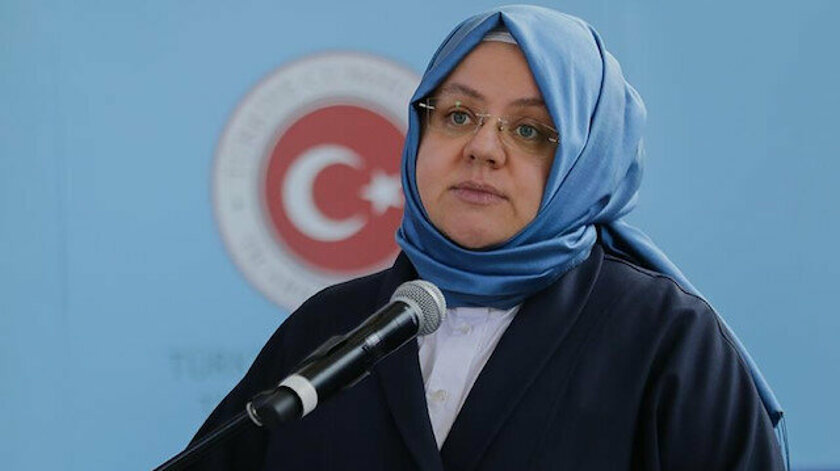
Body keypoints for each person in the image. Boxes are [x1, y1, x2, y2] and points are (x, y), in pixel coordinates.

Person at [189, 5, 786, 470]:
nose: (482, 148)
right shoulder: (328, 326)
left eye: (529, 130)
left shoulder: (668, 341)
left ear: (587, 161)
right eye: (457, 115)